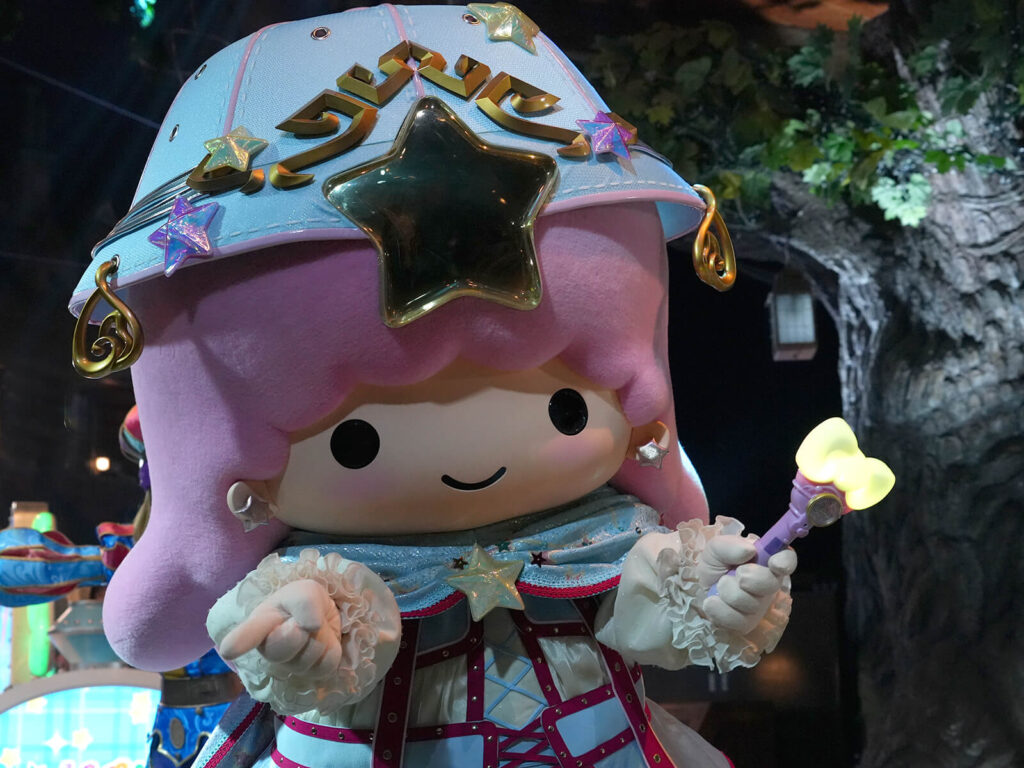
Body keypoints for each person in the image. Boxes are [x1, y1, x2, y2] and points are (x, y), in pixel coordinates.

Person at [69, 7, 795, 766]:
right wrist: (298, 640)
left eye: (567, 408)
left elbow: (648, 617)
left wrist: (715, 598)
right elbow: (315, 657)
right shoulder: (325, 582)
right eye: (355, 441)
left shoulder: (604, 538)